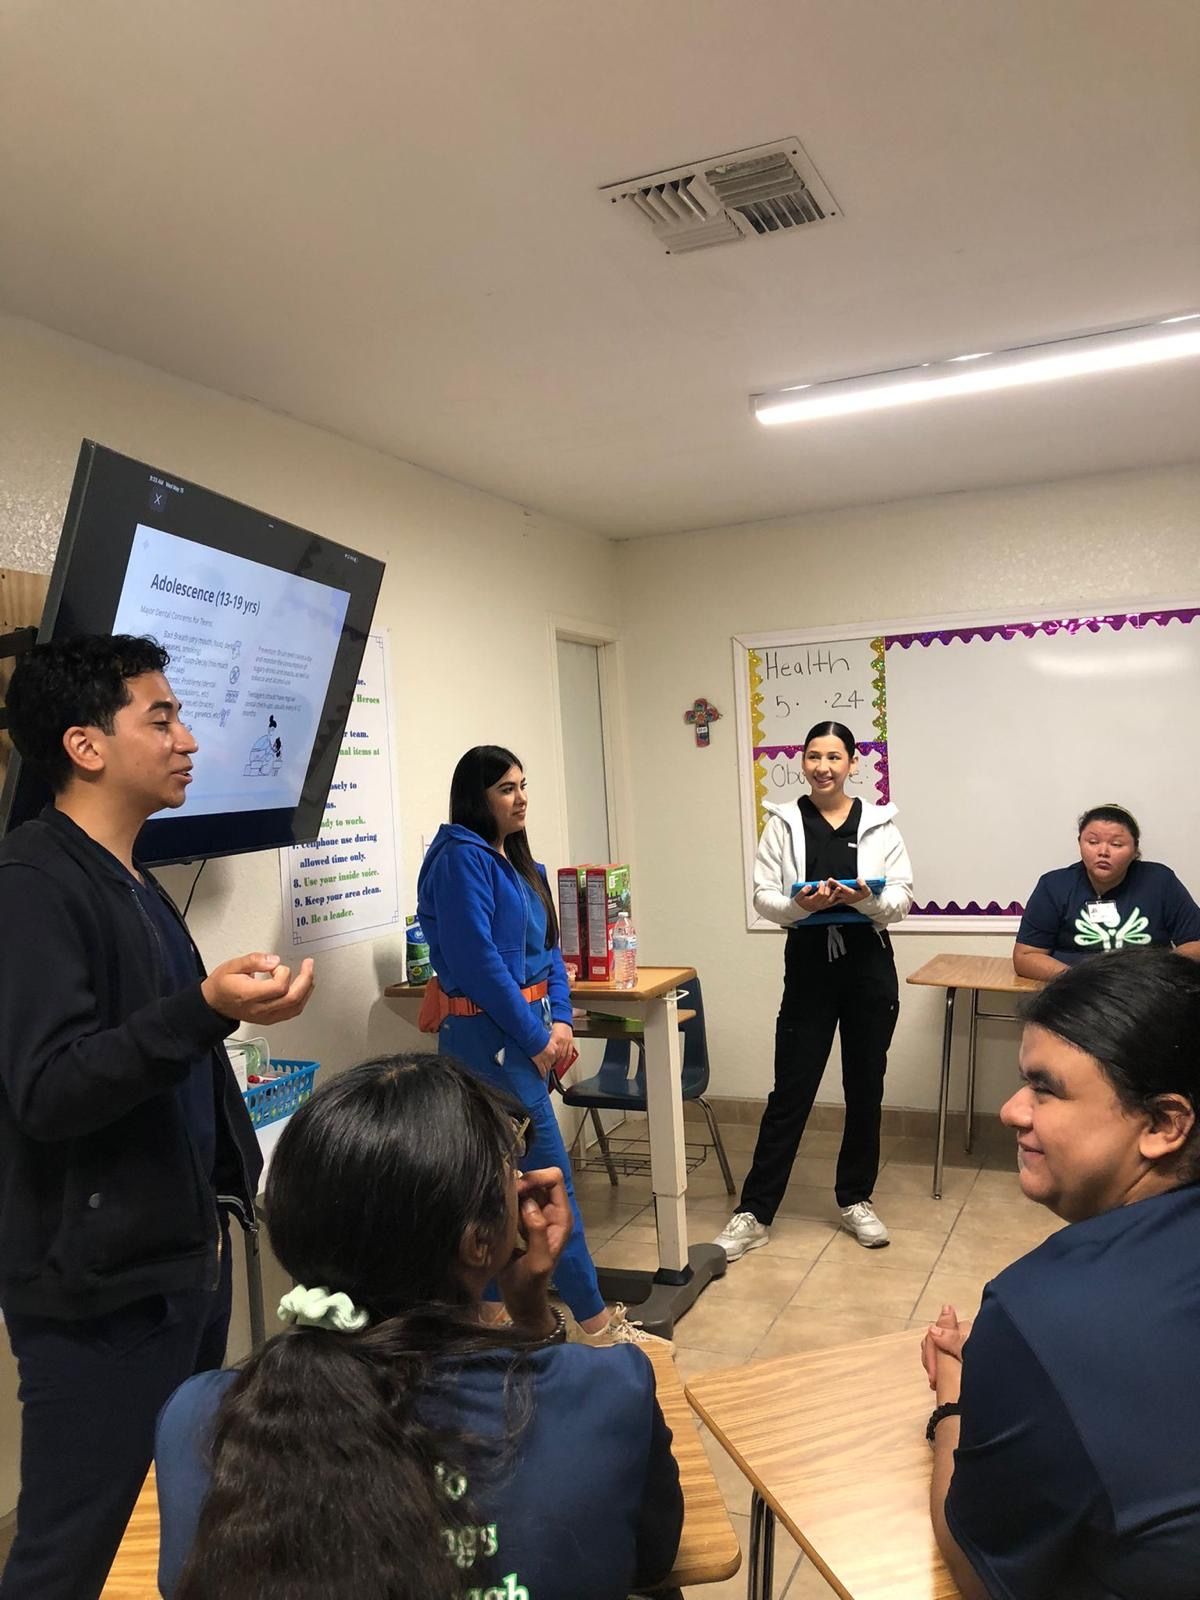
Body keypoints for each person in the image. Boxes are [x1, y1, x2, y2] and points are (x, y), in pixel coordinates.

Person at [0, 634, 314, 1600]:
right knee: (68, 1549)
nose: (187, 739)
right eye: (162, 717)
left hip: (179, 1262)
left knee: (169, 1511)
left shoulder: (133, 880)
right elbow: (48, 1089)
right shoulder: (32, 885)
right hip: (97, 1294)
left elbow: (161, 1050)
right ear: (85, 745)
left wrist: (227, 1010)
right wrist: (206, 1008)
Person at [154, 1053, 684, 1600]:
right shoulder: (608, 1390)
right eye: (510, 1164)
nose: (523, 1177)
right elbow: (652, 1559)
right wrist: (535, 1320)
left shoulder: (199, 1421)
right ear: (481, 1242)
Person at [921, 949, 1200, 1600]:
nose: (1012, 1112)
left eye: (1045, 1088)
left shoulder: (1037, 1315)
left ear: (1163, 1124)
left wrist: (951, 1401)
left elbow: (979, 1566)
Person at [417, 745, 662, 1347]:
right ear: (477, 797)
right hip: (486, 1046)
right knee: (532, 1183)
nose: (520, 797)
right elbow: (479, 964)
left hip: (527, 1038)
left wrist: (558, 1025)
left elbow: (549, 949)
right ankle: (597, 1326)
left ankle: (505, 1321)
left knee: (514, 1187)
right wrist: (535, 1039)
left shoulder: (521, 863)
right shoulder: (459, 861)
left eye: (523, 785)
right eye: (505, 788)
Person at [715, 721, 913, 1259]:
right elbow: (763, 896)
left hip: (869, 967)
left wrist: (860, 898)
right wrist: (801, 906)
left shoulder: (880, 824)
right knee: (790, 1091)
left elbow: (900, 899)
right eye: (813, 756)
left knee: (864, 1086)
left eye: (834, 757)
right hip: (807, 966)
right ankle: (754, 1212)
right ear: (802, 762)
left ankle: (856, 1199)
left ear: (853, 763)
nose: (823, 767)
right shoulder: (782, 822)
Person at [1013, 802, 1200, 979]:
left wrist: (1157, 973)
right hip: (1074, 992)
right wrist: (1080, 980)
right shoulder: (1054, 885)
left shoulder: (1160, 881)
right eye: (1092, 842)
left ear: (1135, 850)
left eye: (1116, 844)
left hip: (1147, 991)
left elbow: (1195, 944)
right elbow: (1026, 956)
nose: (1103, 851)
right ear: (1080, 843)